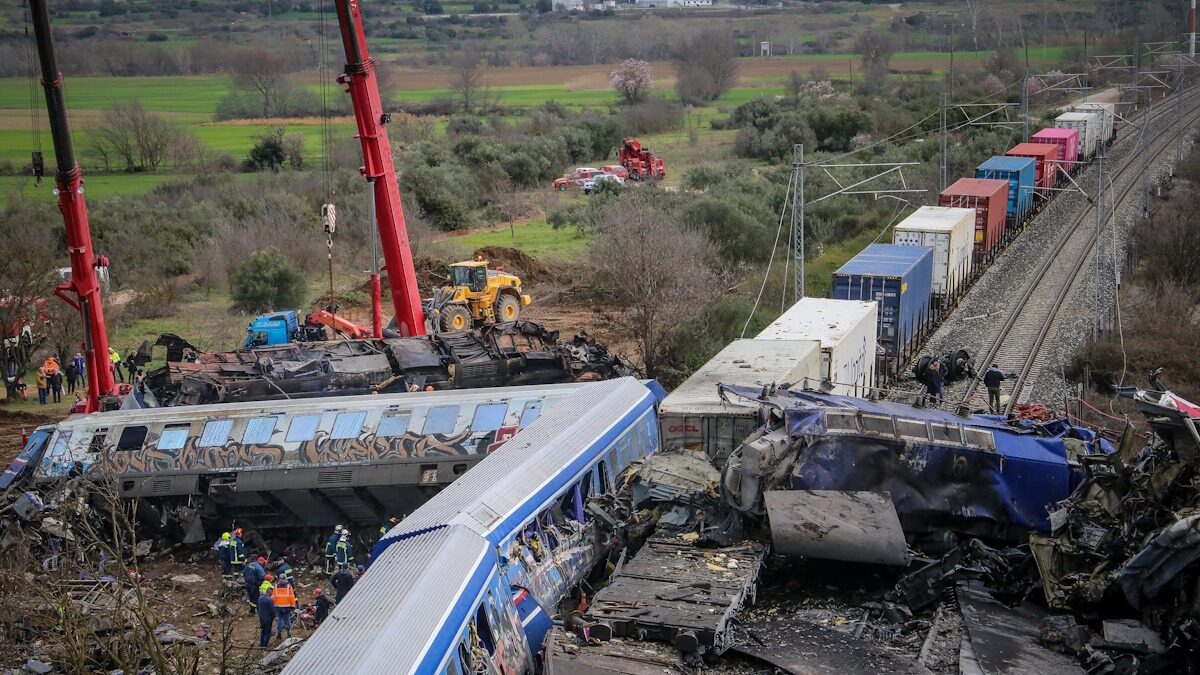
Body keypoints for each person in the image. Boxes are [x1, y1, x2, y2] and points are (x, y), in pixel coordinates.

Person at [256, 583, 276, 648]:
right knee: (268, 632)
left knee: (263, 631)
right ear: (270, 592)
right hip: (268, 618)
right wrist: (274, 616)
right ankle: (265, 645)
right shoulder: (270, 600)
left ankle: (262, 644)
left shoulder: (260, 598)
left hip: (261, 617)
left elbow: (257, 607)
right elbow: (272, 610)